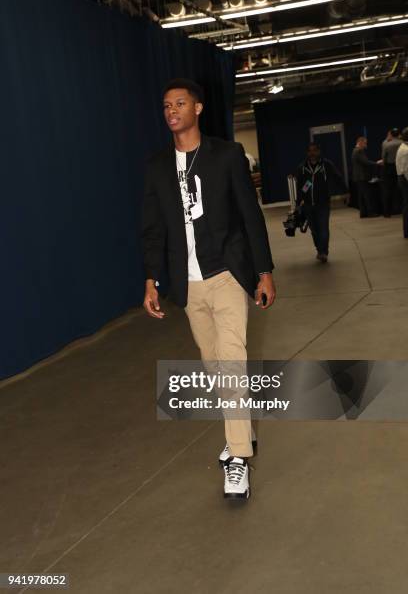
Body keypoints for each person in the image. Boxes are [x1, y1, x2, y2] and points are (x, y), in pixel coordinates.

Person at [141, 78, 276, 500]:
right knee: (215, 365)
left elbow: (250, 216)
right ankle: (242, 429)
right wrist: (151, 278)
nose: (171, 111)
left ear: (197, 108)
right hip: (188, 284)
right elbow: (153, 229)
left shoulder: (226, 155)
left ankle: (237, 458)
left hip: (228, 275)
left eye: (179, 103)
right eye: (166, 105)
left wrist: (264, 271)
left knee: (232, 361)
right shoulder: (157, 167)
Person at [295, 142, 346, 263]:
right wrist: (298, 202)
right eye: (310, 151)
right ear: (307, 153)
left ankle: (324, 252)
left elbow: (337, 177)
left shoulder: (326, 165)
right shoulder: (302, 167)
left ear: (319, 151)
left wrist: (345, 192)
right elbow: (301, 187)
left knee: (323, 228)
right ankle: (319, 249)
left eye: (314, 150)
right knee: (314, 230)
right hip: (308, 204)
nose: (312, 153)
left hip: (323, 203)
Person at [351, 136, 381, 218]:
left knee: (361, 196)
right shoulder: (359, 151)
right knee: (367, 195)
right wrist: (377, 163)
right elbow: (366, 162)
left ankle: (363, 213)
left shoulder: (354, 150)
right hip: (362, 177)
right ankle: (370, 213)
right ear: (360, 142)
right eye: (365, 143)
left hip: (358, 177)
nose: (366, 145)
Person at [381, 127, 402, 217]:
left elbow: (383, 157)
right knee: (402, 189)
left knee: (388, 190)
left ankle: (387, 212)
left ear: (391, 134)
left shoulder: (387, 144)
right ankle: (401, 209)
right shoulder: (402, 143)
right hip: (400, 167)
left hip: (389, 168)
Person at [396, 126, 408, 238]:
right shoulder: (405, 150)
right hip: (404, 179)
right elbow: (406, 170)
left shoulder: (403, 147)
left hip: (402, 178)